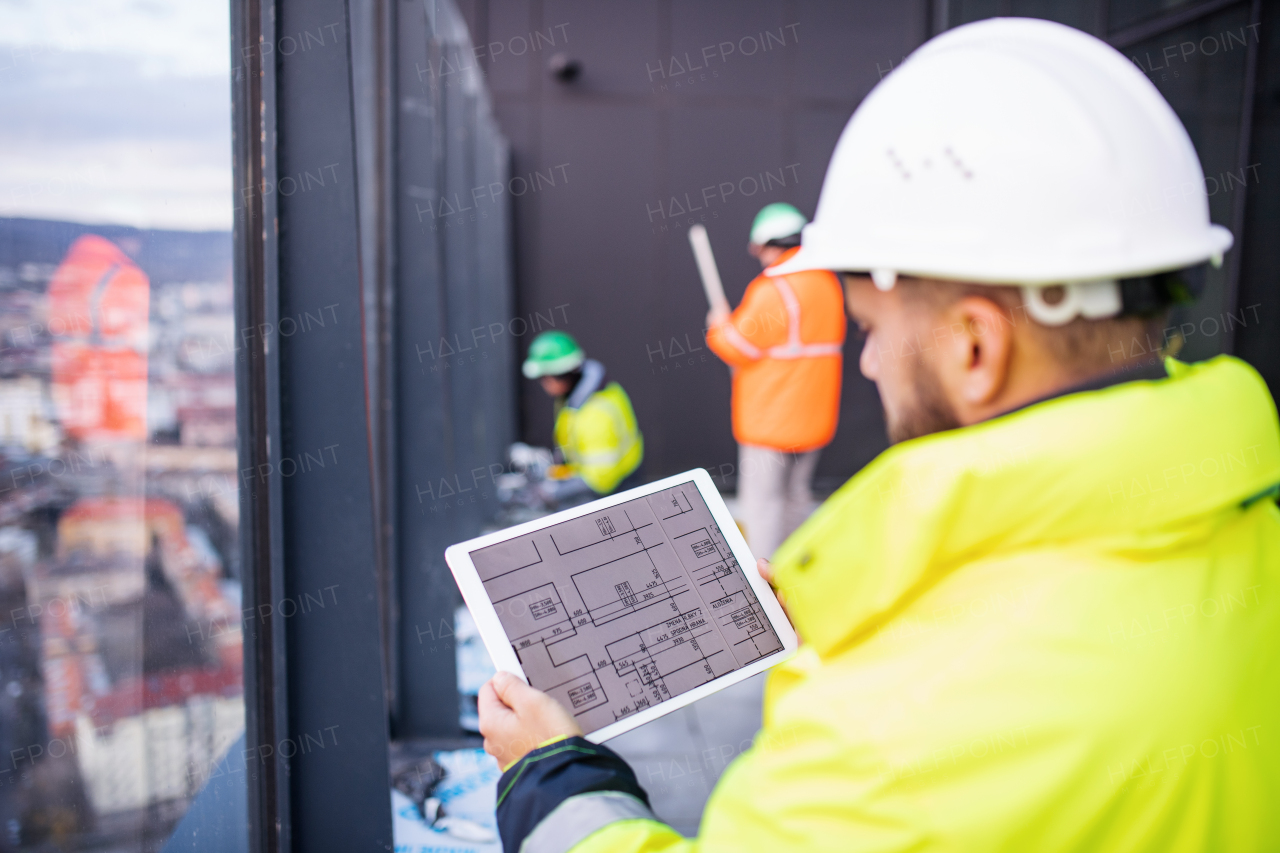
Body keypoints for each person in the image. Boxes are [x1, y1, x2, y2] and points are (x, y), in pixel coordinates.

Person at [480, 18, 1280, 853]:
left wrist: (552, 774)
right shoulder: (1254, 533)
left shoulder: (884, 737)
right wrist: (849, 606)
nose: (869, 364)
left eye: (874, 329)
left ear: (976, 348)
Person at [705, 202, 845, 559]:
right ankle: (797, 576)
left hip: (771, 422)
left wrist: (719, 325)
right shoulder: (828, 283)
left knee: (763, 507)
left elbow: (737, 346)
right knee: (796, 498)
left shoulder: (773, 289)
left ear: (768, 243)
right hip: (813, 419)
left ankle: (764, 584)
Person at [521, 330, 643, 503]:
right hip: (607, 477)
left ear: (562, 374)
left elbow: (600, 479)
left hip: (616, 489)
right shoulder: (575, 397)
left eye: (545, 378)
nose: (544, 384)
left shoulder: (595, 414)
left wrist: (553, 492)